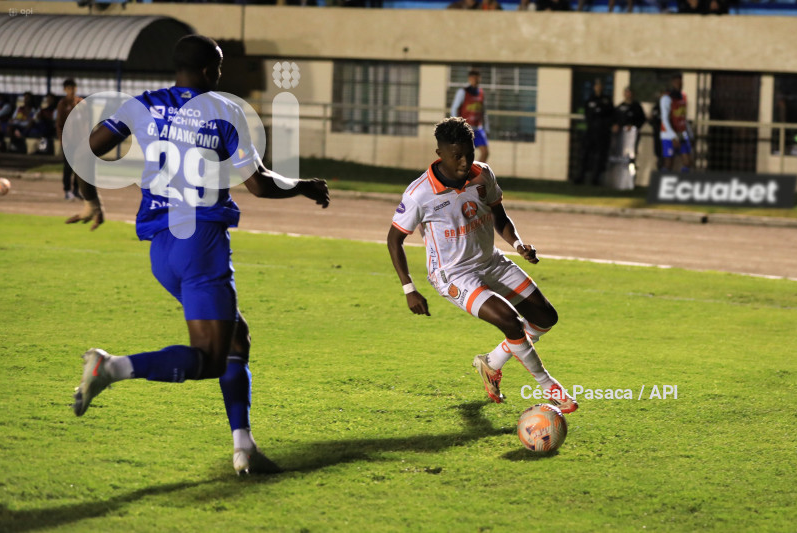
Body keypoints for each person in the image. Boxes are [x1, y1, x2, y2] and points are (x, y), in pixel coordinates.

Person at [67, 34, 330, 475]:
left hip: (162, 249)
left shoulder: (142, 104)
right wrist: (304, 186)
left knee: (236, 339)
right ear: (210, 71)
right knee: (209, 358)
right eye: (220, 69)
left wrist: (92, 200)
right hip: (202, 243)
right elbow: (259, 184)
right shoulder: (224, 111)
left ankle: (244, 448)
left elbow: (83, 151)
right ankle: (111, 368)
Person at [387, 117, 578, 414]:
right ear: (440, 154)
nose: (464, 162)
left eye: (469, 153)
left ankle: (491, 362)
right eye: (457, 156)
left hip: (491, 262)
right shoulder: (419, 194)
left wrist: (518, 245)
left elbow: (500, 216)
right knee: (510, 321)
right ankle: (549, 386)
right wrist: (409, 289)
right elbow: (394, 240)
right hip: (453, 275)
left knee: (545, 317)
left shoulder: (482, 174)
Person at [577, 78, 614, 185]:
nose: (598, 87)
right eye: (596, 85)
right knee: (585, 154)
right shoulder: (590, 99)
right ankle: (581, 176)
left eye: (600, 85)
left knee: (600, 155)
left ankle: (596, 178)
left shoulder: (607, 100)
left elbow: (610, 115)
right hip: (590, 131)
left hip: (602, 132)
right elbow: (587, 114)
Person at [450, 69, 490, 163]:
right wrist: (457, 126)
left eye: (477, 78)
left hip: (478, 128)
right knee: (465, 154)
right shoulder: (463, 92)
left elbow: (483, 111)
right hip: (466, 128)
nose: (475, 80)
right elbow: (454, 108)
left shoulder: (481, 92)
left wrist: (486, 128)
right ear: (469, 78)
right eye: (473, 78)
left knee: (485, 152)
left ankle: (476, 172)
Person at [56, 79, 84, 200]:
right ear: (65, 90)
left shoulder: (81, 103)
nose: (71, 91)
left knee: (79, 167)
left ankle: (77, 190)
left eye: (73, 88)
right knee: (68, 166)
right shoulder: (62, 104)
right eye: (68, 88)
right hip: (68, 141)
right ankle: (67, 190)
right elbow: (59, 123)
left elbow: (87, 122)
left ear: (76, 88)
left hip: (80, 140)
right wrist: (62, 139)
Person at [660, 73, 692, 172]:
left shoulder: (683, 97)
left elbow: (683, 118)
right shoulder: (666, 98)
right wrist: (673, 136)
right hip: (669, 135)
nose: (679, 84)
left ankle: (684, 180)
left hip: (681, 134)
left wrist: (690, 134)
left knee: (687, 161)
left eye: (681, 82)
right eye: (677, 82)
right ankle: (663, 179)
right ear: (672, 83)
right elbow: (665, 119)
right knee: (669, 162)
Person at [613, 86, 646, 153]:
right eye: (627, 92)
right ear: (624, 94)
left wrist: (634, 126)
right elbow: (615, 119)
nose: (628, 94)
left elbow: (642, 119)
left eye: (630, 93)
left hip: (633, 133)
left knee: (632, 151)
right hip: (621, 133)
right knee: (621, 150)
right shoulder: (620, 107)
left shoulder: (637, 106)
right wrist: (616, 125)